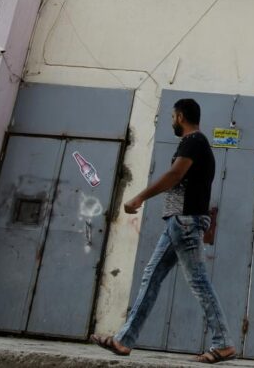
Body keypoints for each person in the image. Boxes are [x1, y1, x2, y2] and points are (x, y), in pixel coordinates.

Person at [91, 98, 236, 364]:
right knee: (151, 277)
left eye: (172, 117)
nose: (172, 122)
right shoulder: (196, 143)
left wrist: (139, 197)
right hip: (179, 222)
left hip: (185, 221)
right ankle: (124, 340)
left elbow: (175, 175)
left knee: (198, 282)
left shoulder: (194, 141)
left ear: (180, 116)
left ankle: (224, 343)